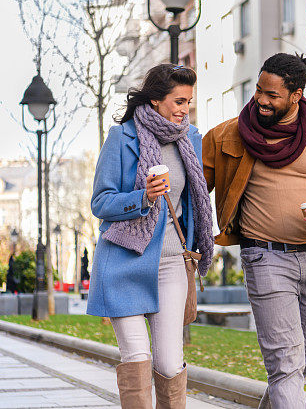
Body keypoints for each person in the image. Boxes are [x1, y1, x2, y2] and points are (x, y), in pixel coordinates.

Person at [203, 53, 306, 409]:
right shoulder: (228, 135)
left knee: (302, 362)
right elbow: (194, 191)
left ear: (296, 96)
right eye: (259, 90)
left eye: (272, 95)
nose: (261, 99)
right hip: (264, 257)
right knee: (285, 363)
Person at [86, 64, 214, 409]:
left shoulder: (191, 139)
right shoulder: (122, 137)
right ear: (156, 100)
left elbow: (195, 200)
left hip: (173, 263)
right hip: (125, 261)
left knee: (170, 363)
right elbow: (101, 202)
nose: (184, 108)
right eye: (178, 100)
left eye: (188, 101)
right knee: (138, 357)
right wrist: (143, 197)